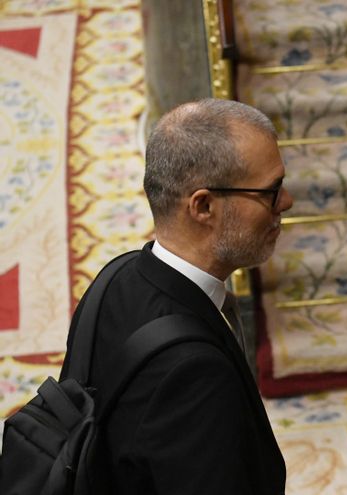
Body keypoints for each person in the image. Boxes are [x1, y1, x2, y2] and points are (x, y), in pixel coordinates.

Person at [59, 98, 293, 494]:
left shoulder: (115, 275)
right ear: (203, 206)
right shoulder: (195, 375)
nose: (285, 203)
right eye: (270, 192)